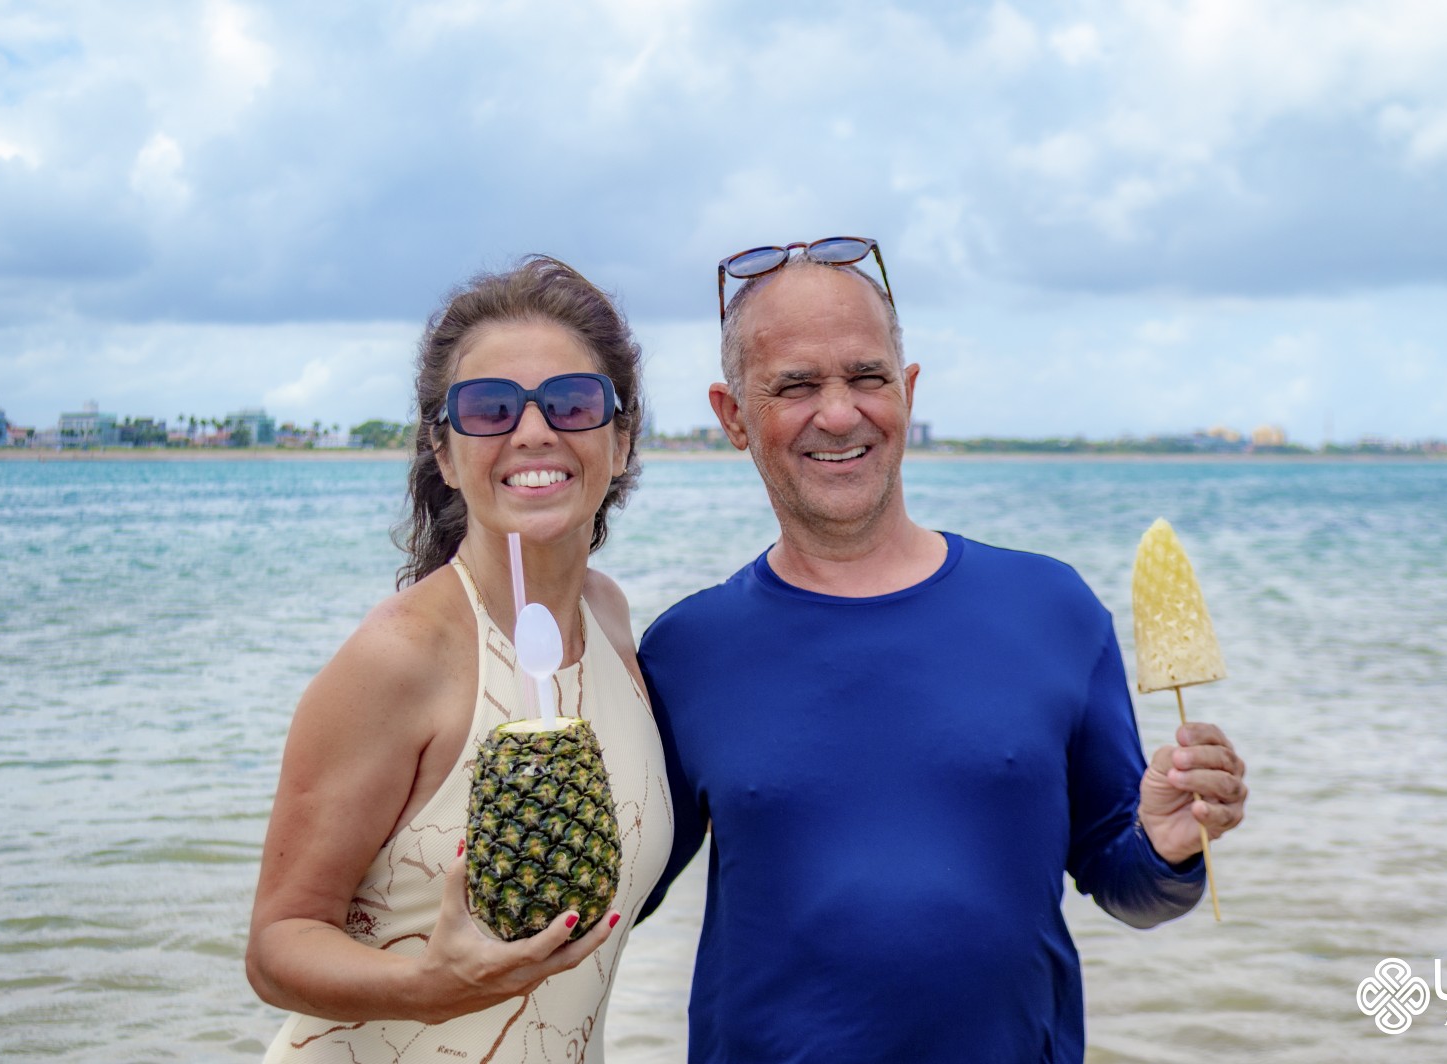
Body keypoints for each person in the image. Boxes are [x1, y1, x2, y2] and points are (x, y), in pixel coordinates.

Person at [637, 239, 1249, 1063]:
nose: (840, 413)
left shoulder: (1053, 609)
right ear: (732, 415)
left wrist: (1172, 845)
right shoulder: (686, 651)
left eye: (866, 377)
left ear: (908, 388)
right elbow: (612, 902)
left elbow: (1129, 885)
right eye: (795, 385)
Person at [248, 257, 672, 1063]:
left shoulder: (611, 619)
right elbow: (276, 946)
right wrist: (427, 989)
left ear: (620, 441)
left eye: (573, 403)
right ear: (445, 455)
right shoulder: (400, 658)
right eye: (491, 409)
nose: (535, 432)